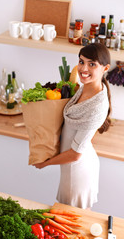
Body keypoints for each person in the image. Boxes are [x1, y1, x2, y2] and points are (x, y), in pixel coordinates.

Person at [33, 43, 112, 209]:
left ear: (105, 68)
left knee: (72, 220)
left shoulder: (97, 106)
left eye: (92, 64)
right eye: (81, 61)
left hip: (78, 170)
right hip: (72, 164)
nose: (83, 68)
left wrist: (45, 163)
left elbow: (76, 154)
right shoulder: (84, 88)